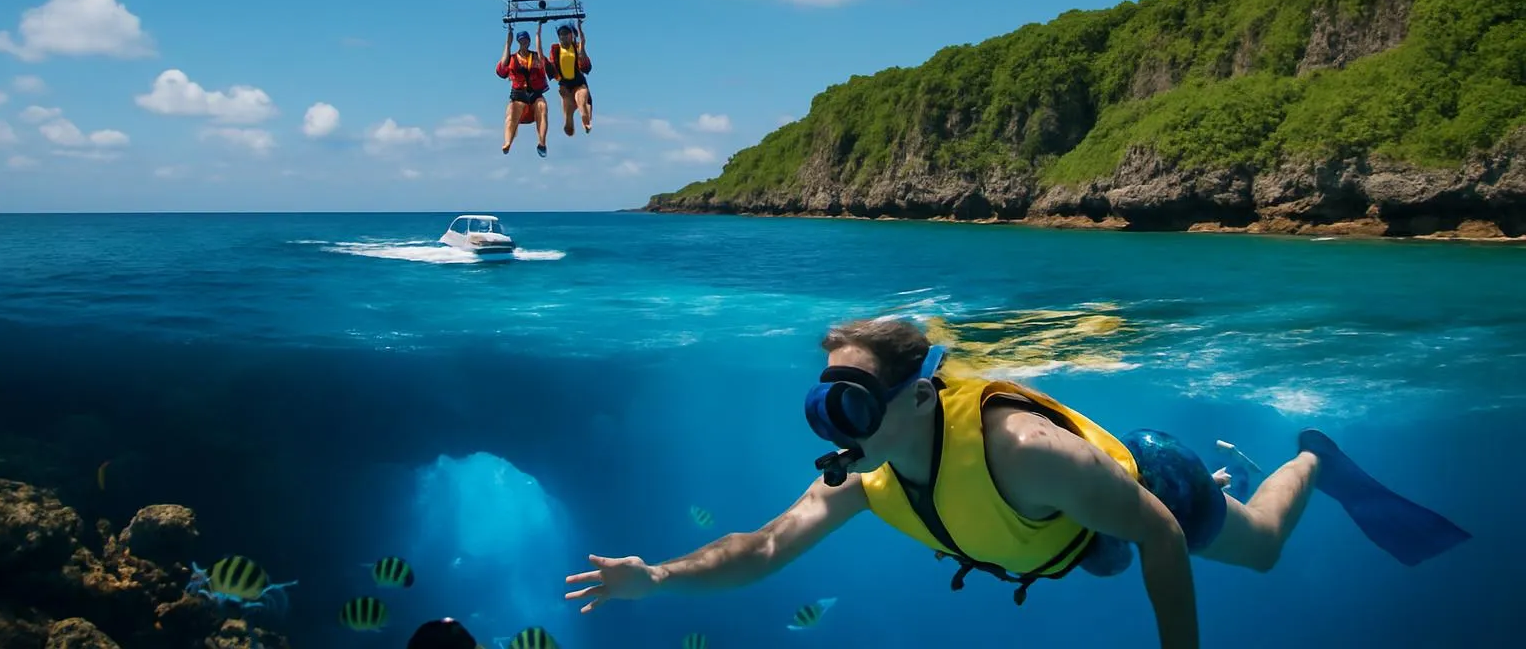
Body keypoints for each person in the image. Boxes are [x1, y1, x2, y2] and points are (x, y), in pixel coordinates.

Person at [563, 317, 1471, 649]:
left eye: (852, 405)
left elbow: (1157, 533)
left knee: (1261, 550)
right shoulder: (865, 475)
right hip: (1071, 535)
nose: (838, 431)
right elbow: (763, 548)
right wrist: (659, 577)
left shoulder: (1025, 449)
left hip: (1147, 480)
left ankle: (1313, 460)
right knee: (1102, 556)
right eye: (823, 407)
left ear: (920, 397)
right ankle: (1245, 473)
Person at [497, 23, 550, 157]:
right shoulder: (512, 58)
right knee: (511, 113)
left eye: (526, 40)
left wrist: (538, 30)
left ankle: (542, 142)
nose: (524, 43)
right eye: (521, 41)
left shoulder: (536, 57)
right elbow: (502, 67)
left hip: (535, 93)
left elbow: (541, 53)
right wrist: (508, 43)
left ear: (529, 42)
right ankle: (507, 142)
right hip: (519, 94)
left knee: (542, 108)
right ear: (518, 42)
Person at [548, 21, 592, 137]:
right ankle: (569, 122)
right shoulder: (555, 49)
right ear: (559, 37)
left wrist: (579, 27)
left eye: (566, 33)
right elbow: (551, 63)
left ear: (571, 35)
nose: (564, 36)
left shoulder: (576, 47)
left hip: (578, 81)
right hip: (565, 84)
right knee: (567, 107)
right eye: (561, 34)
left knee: (581, 101)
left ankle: (586, 122)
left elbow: (583, 40)